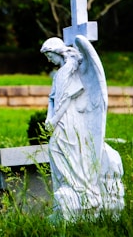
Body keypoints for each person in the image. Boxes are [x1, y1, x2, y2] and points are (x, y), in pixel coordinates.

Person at [41, 37, 103, 221]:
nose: (49, 60)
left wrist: (54, 119)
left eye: (49, 55)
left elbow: (67, 98)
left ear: (57, 51)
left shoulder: (69, 71)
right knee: (57, 151)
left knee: (62, 151)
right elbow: (52, 99)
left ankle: (80, 192)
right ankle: (66, 196)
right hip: (58, 118)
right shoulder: (60, 73)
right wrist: (48, 117)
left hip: (68, 119)